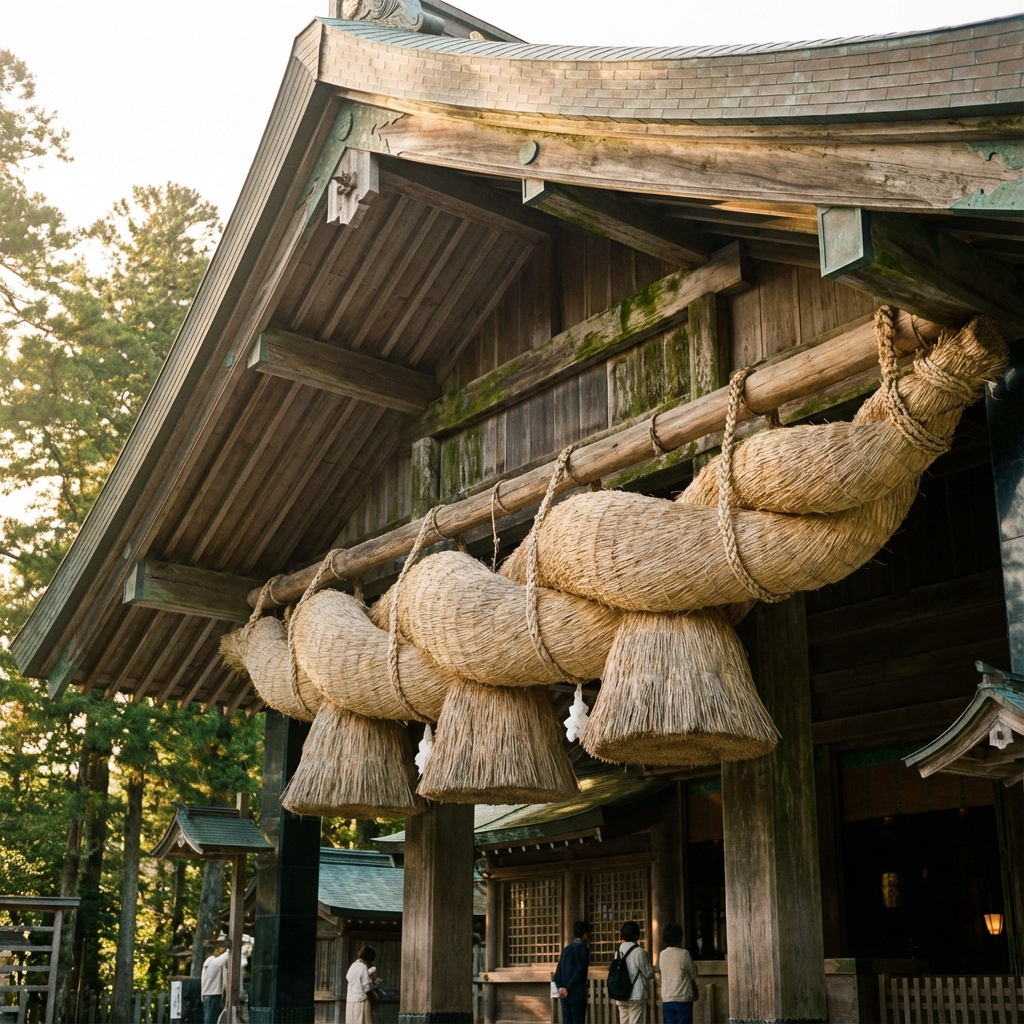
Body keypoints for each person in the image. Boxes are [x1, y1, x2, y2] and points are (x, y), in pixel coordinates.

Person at [613, 922, 653, 1024]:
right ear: (636, 935)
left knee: (624, 1021)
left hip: (621, 993)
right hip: (636, 993)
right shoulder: (639, 951)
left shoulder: (618, 951)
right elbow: (648, 973)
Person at [656, 924, 697, 1024]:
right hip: (683, 997)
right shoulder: (684, 954)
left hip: (667, 998)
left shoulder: (662, 954)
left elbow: (659, 970)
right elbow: (694, 974)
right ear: (680, 938)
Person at [554, 921, 591, 1024]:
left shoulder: (566, 949)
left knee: (567, 1021)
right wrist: (568, 987)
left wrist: (561, 988)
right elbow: (580, 971)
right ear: (585, 934)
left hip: (564, 994)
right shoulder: (583, 949)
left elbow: (558, 972)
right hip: (577, 993)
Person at [346, 945, 379, 1024]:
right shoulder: (363, 967)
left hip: (351, 1000)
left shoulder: (353, 966)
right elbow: (366, 987)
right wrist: (373, 985)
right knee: (363, 1021)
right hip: (361, 1001)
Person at [201, 938, 229, 1024]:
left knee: (211, 1019)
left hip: (211, 994)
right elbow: (226, 956)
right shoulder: (213, 962)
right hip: (212, 994)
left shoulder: (211, 962)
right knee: (211, 1020)